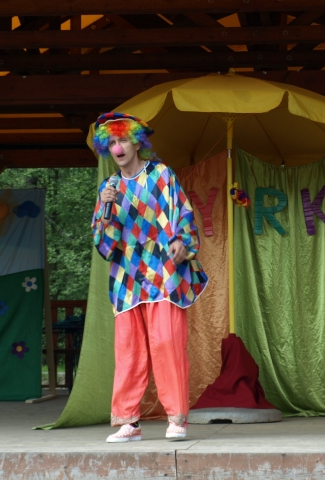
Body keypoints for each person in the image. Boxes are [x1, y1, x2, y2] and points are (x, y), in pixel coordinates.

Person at [91, 112, 208, 443]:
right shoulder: (108, 188)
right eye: (112, 143)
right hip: (127, 278)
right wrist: (105, 211)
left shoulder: (161, 175)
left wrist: (182, 243)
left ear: (136, 142)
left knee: (167, 343)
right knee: (128, 350)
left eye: (123, 140)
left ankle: (176, 418)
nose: (117, 148)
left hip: (163, 273)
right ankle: (128, 422)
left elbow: (183, 213)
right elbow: (104, 244)